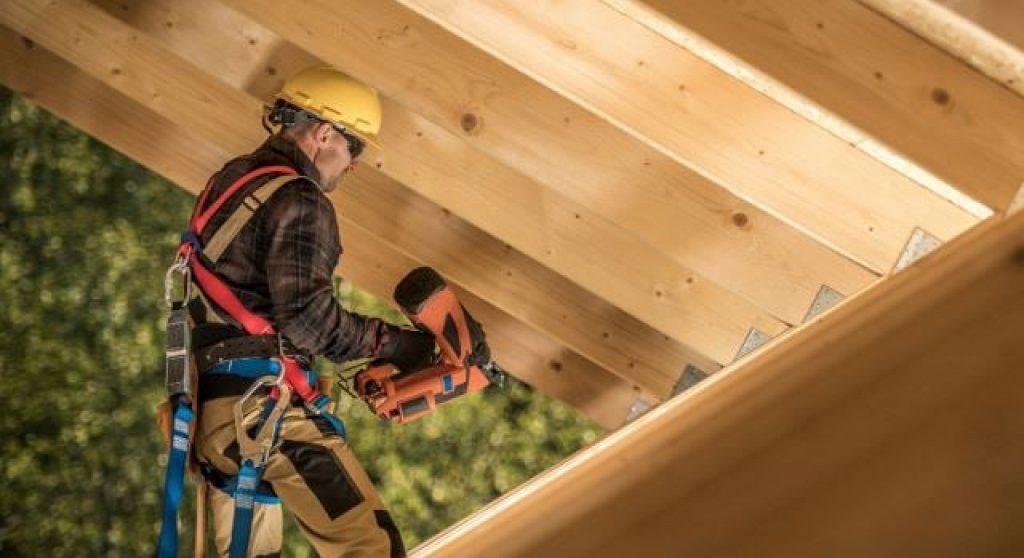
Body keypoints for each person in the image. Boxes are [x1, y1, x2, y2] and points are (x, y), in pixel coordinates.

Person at [184, 66, 433, 557]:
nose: (354, 164)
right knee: (371, 546)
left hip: (214, 421)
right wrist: (400, 344)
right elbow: (309, 320)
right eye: (353, 147)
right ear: (323, 133)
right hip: (262, 415)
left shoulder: (231, 182)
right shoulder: (299, 197)